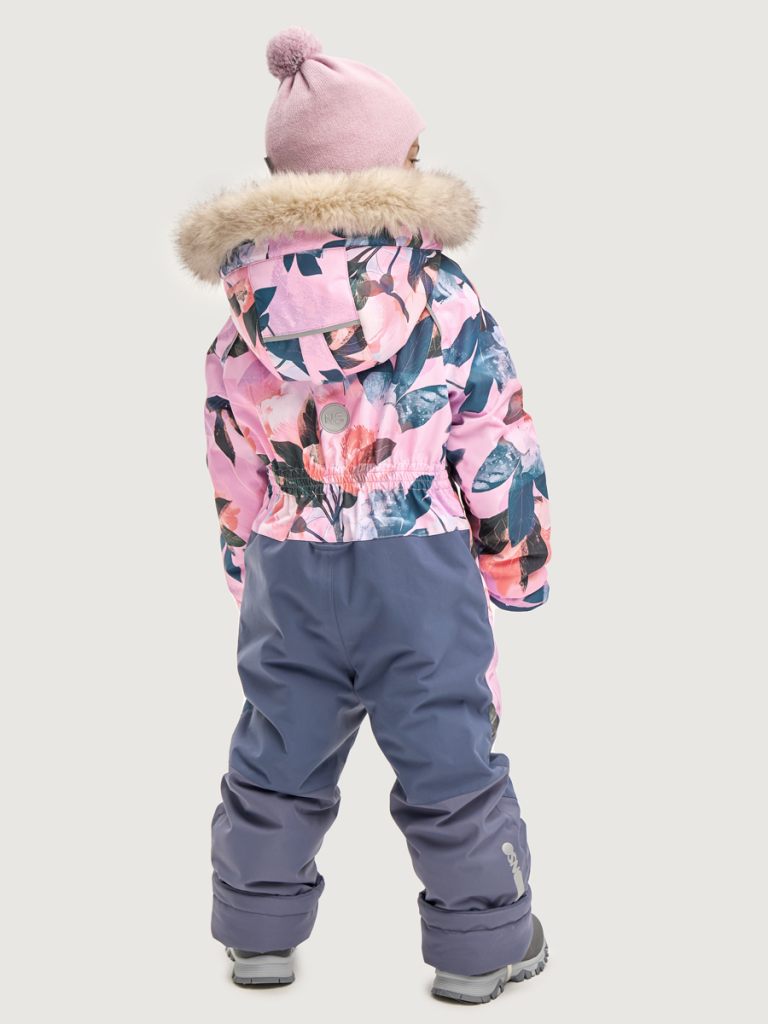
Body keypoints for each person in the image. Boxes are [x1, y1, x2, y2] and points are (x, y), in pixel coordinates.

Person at [175, 25, 552, 1005]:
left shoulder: (241, 319)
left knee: (280, 742)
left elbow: (231, 455)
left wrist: (243, 568)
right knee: (447, 747)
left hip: (289, 563)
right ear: (397, 166)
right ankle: (481, 944)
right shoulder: (440, 298)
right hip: (417, 563)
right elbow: (493, 433)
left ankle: (256, 935)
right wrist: (518, 564)